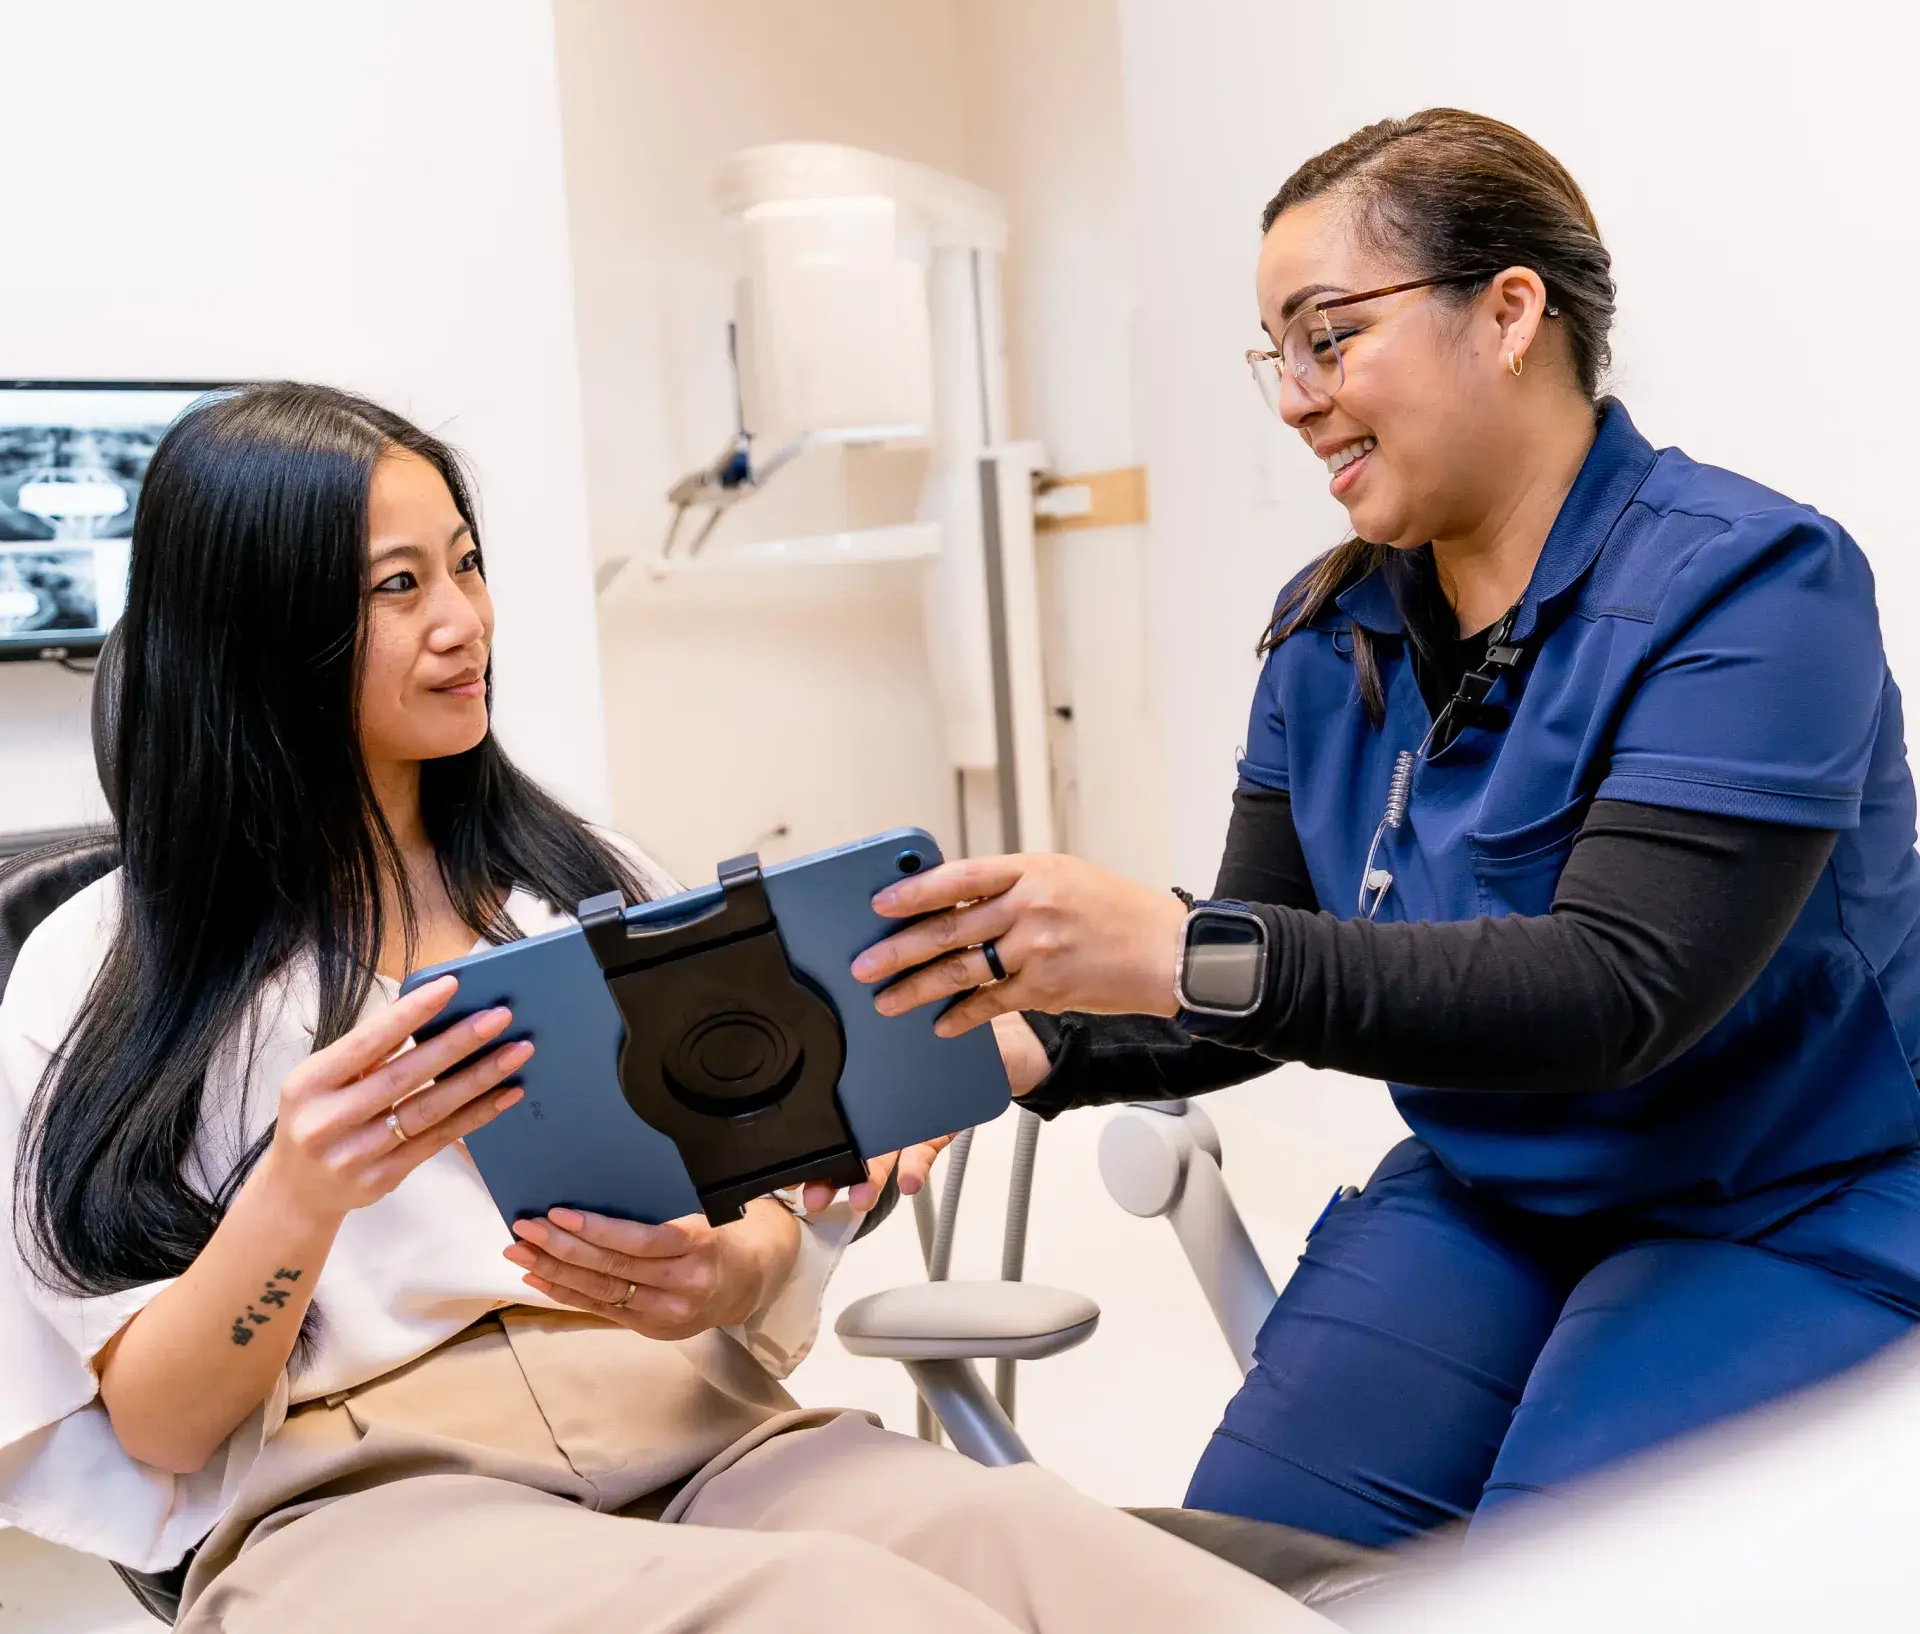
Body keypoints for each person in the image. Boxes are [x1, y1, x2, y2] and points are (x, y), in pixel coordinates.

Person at [0, 383, 1305, 1633]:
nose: (465, 620)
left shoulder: (583, 893)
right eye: (400, 587)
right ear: (259, 631)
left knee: (1082, 1564)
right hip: (361, 1499)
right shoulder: (98, 975)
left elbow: (750, 1268)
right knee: (839, 1611)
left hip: (703, 1428)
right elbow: (163, 1435)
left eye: (466, 564)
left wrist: (720, 1270)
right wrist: (299, 1190)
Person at [850, 109, 1920, 1551]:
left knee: (1553, 1578)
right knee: (1246, 1571)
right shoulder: (1332, 628)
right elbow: (1244, 980)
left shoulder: (1756, 590)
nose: (1295, 396)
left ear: (1509, 313)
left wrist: (1170, 948)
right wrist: (1014, 1040)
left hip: (1788, 1206)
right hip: (1494, 1191)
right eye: (1274, 356)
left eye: (1330, 335)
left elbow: (1614, 990)